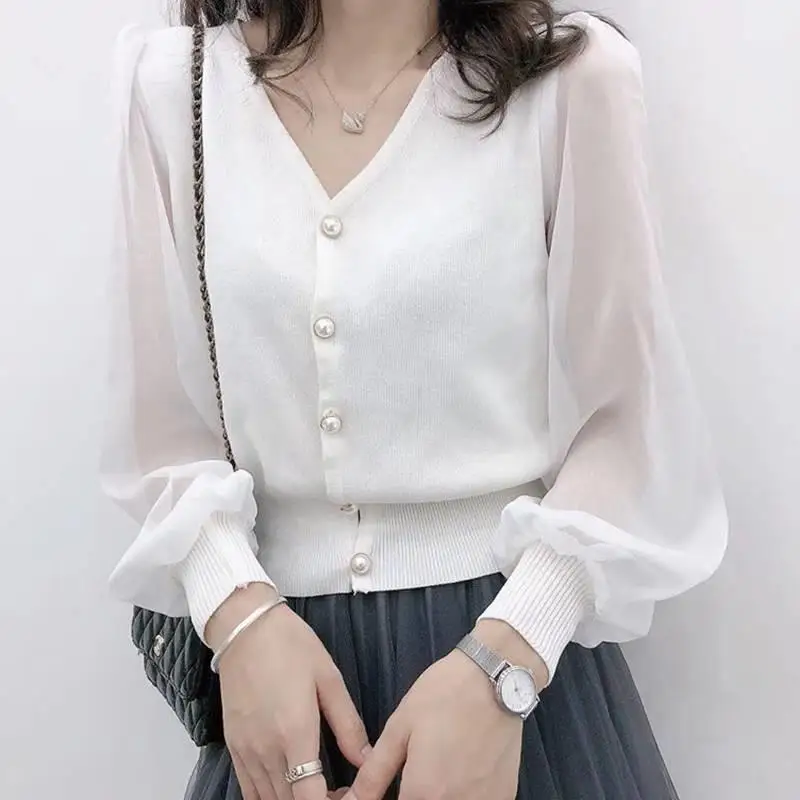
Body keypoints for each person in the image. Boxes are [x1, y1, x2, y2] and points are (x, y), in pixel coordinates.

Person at [101, 1, 729, 798]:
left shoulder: (570, 82)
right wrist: (238, 614)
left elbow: (630, 427)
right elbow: (161, 435)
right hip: (280, 689)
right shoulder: (175, 87)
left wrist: (506, 662)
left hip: (512, 679)